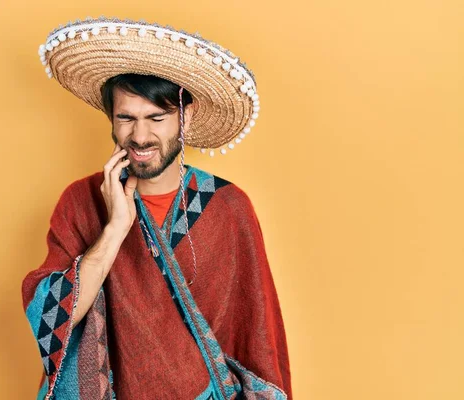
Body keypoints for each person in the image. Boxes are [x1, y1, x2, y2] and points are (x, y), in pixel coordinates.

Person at [22, 16, 292, 400]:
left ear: (187, 115)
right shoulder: (83, 202)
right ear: (111, 120)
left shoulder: (228, 208)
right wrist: (115, 229)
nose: (140, 136)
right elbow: (49, 321)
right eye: (126, 118)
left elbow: (259, 334)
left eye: (156, 118)